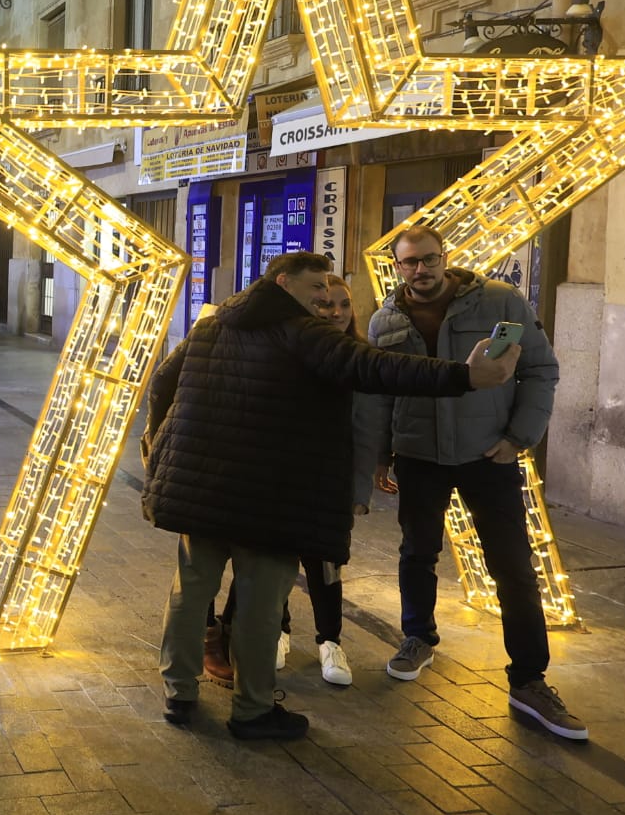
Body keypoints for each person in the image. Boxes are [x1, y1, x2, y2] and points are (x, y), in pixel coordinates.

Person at [146, 252, 521, 741]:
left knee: (192, 588)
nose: (325, 297)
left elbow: (162, 381)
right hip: (271, 495)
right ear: (284, 283)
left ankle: (178, 692)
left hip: (202, 487)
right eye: (316, 287)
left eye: (327, 288)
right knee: (261, 602)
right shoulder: (302, 332)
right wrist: (463, 376)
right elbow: (375, 367)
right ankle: (252, 710)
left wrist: (160, 441)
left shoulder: (213, 325)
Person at [357, 227, 578, 739]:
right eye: (410, 263)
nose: (421, 270)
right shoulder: (386, 319)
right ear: (398, 267)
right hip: (418, 456)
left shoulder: (500, 303)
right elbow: (379, 391)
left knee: (513, 567)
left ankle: (529, 678)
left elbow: (540, 370)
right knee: (417, 552)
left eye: (429, 259)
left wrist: (519, 437)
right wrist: (380, 455)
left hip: (488, 455)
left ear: (445, 258)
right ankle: (418, 637)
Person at [210, 271, 370, 689]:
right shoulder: (289, 347)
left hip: (327, 483)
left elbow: (367, 431)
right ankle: (277, 631)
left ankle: (330, 641)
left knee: (326, 565)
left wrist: (360, 488)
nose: (335, 312)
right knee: (271, 562)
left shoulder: (360, 357)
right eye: (325, 303)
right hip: (278, 480)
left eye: (343, 304)